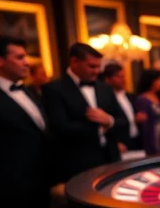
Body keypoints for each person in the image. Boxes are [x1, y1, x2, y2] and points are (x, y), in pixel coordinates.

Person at [0, 34, 52, 208]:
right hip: (12, 185)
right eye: (20, 57)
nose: (27, 63)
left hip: (41, 178)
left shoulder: (26, 89)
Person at [43, 43, 127, 180]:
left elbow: (123, 121)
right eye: (92, 66)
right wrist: (99, 129)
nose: (97, 71)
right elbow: (59, 127)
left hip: (110, 159)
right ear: (74, 62)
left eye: (99, 66)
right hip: (76, 163)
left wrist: (109, 121)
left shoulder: (105, 88)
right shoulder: (54, 89)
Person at [102, 63, 144, 152]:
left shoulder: (130, 96)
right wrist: (115, 143)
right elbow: (106, 123)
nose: (123, 80)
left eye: (124, 76)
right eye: (119, 77)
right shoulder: (104, 98)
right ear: (108, 79)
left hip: (136, 140)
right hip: (120, 143)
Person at [135, 69, 160, 155]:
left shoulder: (159, 97)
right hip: (152, 135)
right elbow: (143, 121)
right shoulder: (142, 99)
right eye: (159, 80)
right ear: (152, 81)